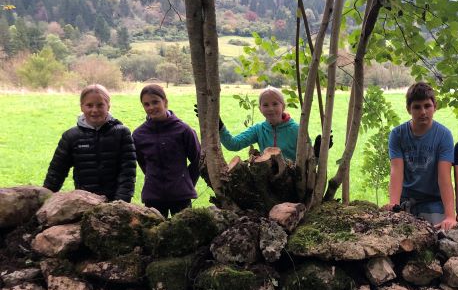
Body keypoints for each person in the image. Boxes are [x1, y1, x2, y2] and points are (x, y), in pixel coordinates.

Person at [44, 84, 137, 202]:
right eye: (89, 105)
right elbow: (56, 172)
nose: (95, 110)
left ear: (108, 106)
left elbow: (128, 172)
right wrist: (44, 199)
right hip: (84, 203)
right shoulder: (71, 136)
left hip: (115, 202)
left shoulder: (122, 133)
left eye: (100, 105)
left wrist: (120, 203)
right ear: (82, 107)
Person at [384, 82, 457, 230]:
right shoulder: (397, 134)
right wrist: (394, 205)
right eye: (417, 107)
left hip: (433, 201)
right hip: (406, 200)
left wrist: (450, 216)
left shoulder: (444, 135)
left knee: (437, 234)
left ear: (435, 106)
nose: (423, 112)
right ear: (408, 109)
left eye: (427, 106)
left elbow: (444, 177)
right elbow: (396, 172)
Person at [133, 84, 202, 217]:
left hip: (181, 196)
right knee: (155, 229)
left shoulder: (184, 130)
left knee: (184, 229)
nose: (151, 107)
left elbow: (198, 159)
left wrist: (185, 182)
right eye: (146, 104)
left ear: (165, 102)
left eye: (155, 102)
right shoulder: (138, 135)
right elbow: (143, 163)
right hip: (153, 196)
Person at [219, 86, 299, 161]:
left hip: (292, 171)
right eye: (265, 105)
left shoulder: (297, 130)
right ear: (260, 109)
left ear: (283, 106)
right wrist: (219, 125)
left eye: (275, 104)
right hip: (266, 171)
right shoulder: (258, 130)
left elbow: (305, 156)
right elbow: (233, 145)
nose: (270, 108)